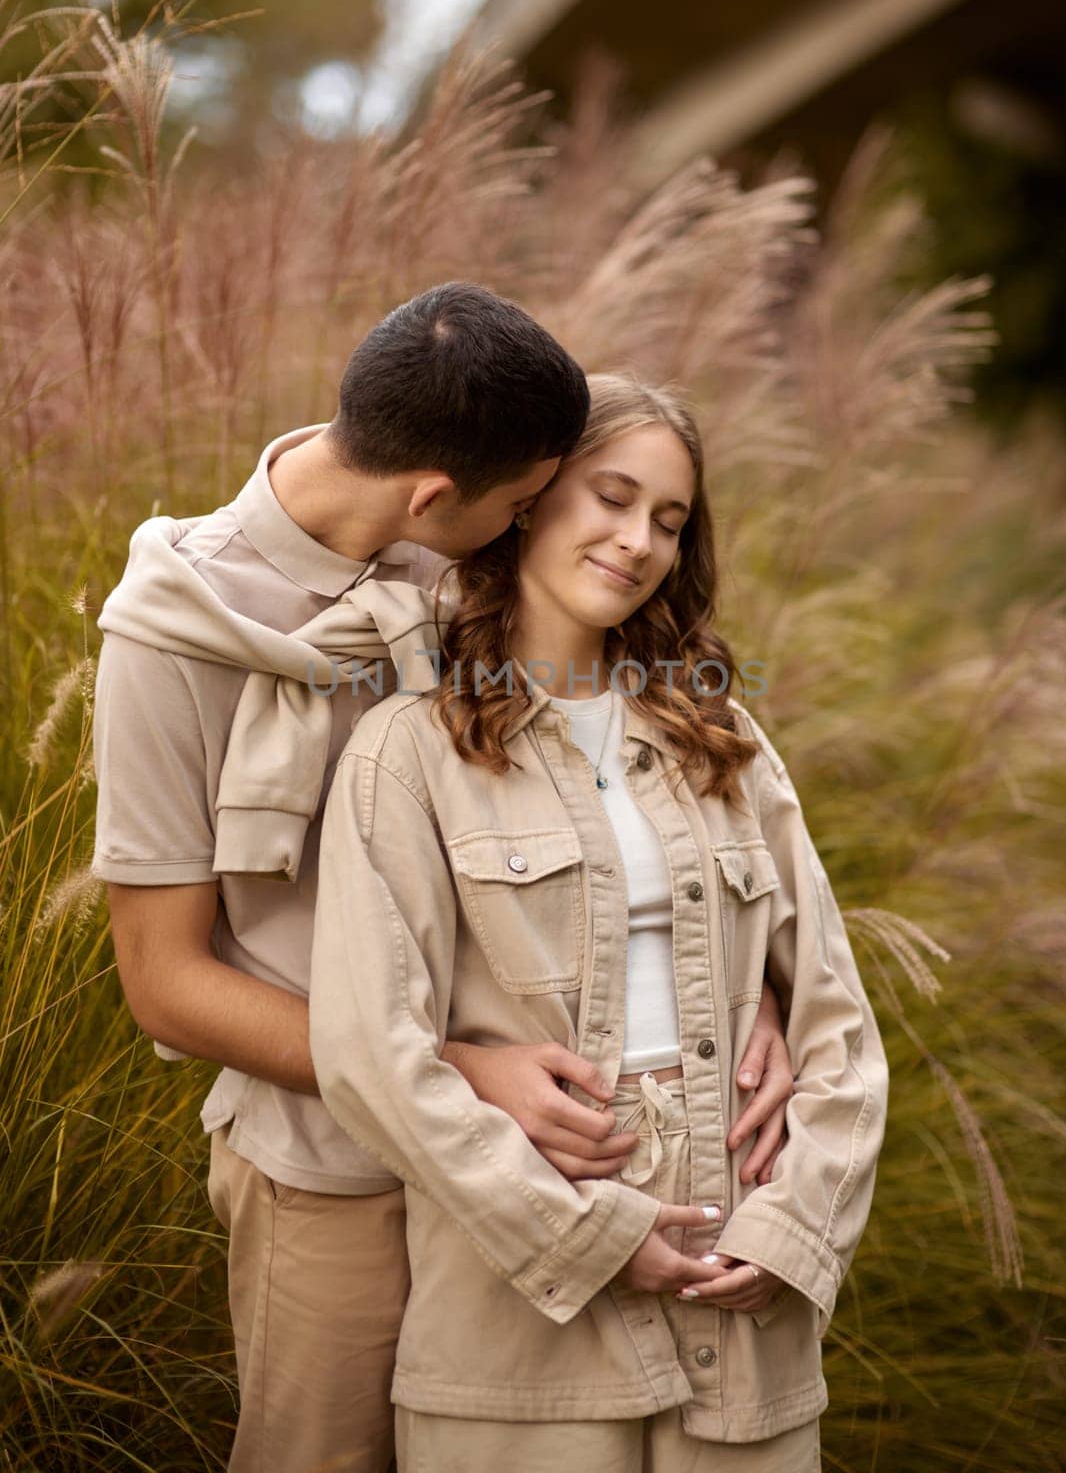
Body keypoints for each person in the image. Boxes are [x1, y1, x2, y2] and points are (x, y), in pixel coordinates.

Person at [90, 289, 795, 1473]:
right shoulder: (171, 637)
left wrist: (744, 992)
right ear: (436, 495)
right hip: (337, 1169)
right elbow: (164, 983)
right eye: (528, 504)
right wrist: (455, 1072)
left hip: (555, 1156)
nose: (542, 525)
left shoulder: (459, 548)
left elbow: (652, 791)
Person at [310, 372, 890, 1470]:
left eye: (668, 521)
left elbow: (835, 1021)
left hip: (742, 1291)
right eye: (611, 499)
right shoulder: (409, 755)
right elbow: (370, 1052)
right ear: (529, 497)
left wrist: (795, 1228)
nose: (638, 541)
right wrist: (587, 1236)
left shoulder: (724, 743)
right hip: (519, 1327)